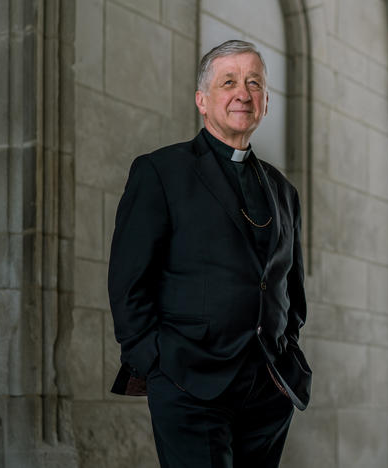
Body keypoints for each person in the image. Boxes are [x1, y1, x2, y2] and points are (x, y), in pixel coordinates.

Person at [108, 39, 311, 468]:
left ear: (266, 102)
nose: (243, 92)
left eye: (254, 83)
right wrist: (157, 365)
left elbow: (291, 287)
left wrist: (286, 347)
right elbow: (129, 282)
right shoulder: (161, 171)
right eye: (229, 82)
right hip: (189, 381)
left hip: (267, 387)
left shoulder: (284, 191)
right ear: (203, 100)